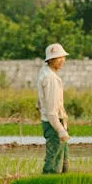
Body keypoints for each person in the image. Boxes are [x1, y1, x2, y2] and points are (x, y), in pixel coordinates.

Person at [36, 43, 70, 174]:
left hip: (55, 122)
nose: (62, 61)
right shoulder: (50, 78)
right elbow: (51, 112)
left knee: (63, 161)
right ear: (50, 60)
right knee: (53, 163)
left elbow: (40, 101)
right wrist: (60, 130)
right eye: (58, 58)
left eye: (63, 57)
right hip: (54, 124)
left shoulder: (44, 72)